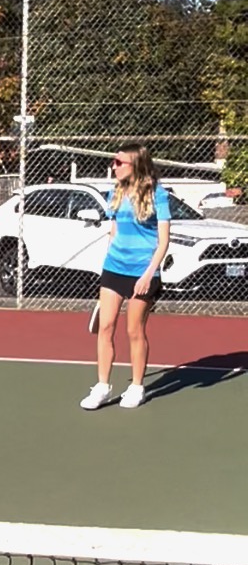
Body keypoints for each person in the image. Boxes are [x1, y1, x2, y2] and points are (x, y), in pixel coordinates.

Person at [80, 142, 171, 410]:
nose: (114, 166)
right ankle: (102, 387)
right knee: (106, 327)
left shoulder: (159, 195)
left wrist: (148, 275)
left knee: (134, 330)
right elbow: (114, 232)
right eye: (113, 161)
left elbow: (164, 241)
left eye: (119, 162)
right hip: (114, 268)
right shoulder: (115, 193)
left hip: (142, 272)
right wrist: (105, 267)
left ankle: (136, 387)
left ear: (136, 165)